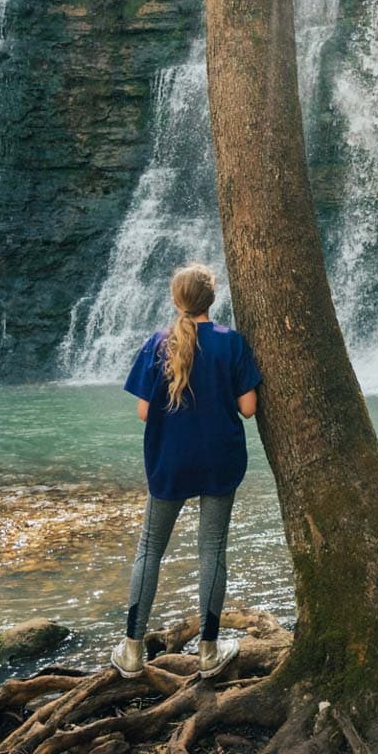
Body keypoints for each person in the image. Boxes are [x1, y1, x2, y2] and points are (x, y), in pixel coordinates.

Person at [110, 263, 261, 680]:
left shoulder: (159, 343)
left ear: (177, 300)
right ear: (211, 299)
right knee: (212, 550)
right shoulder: (232, 343)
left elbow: (144, 413)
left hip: (170, 461)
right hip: (220, 458)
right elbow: (249, 408)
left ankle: (132, 650)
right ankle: (209, 653)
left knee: (149, 550)